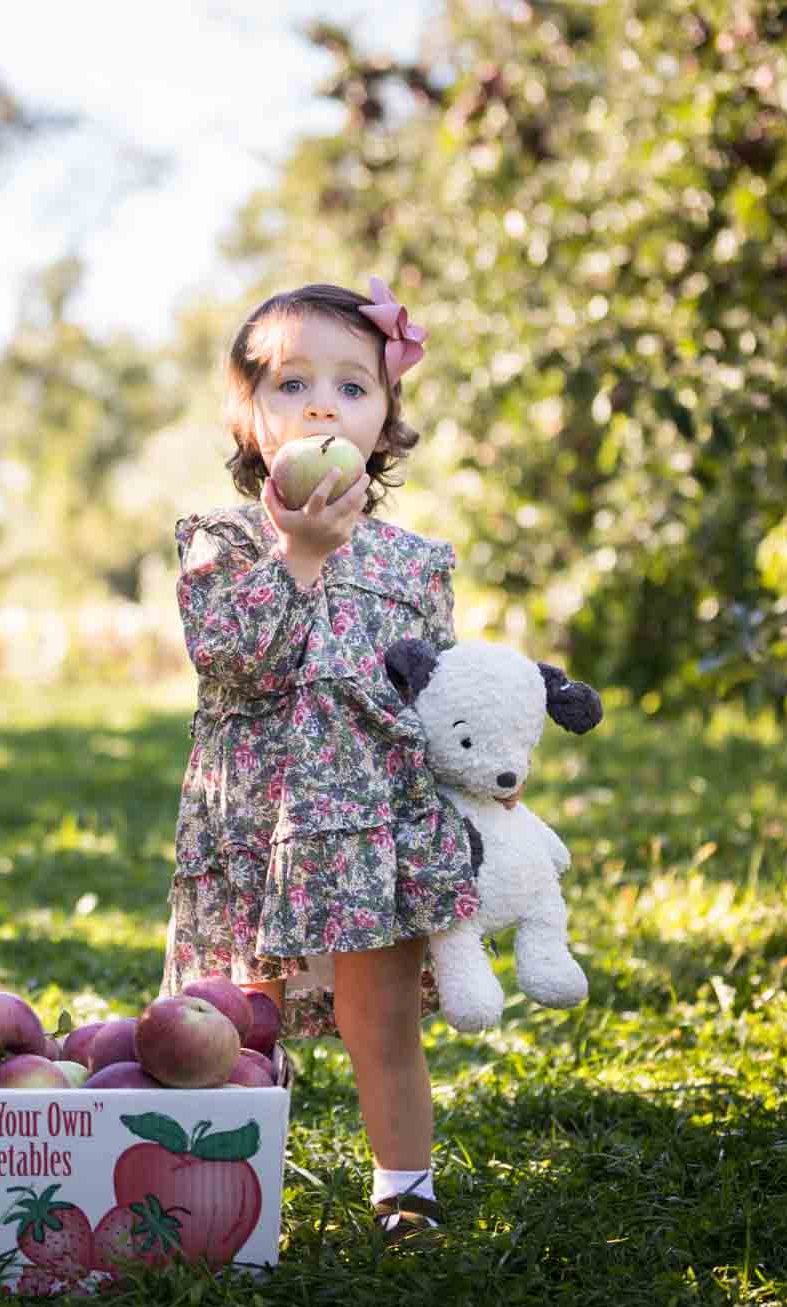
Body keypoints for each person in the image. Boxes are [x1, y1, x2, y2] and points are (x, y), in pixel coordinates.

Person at [161, 278, 478, 1246]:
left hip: (367, 830)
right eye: (291, 381)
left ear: (384, 422)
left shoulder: (412, 562)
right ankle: (207, 1196)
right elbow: (227, 655)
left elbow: (435, 695)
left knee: (380, 1019)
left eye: (350, 386)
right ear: (244, 413)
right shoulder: (219, 540)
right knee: (231, 1023)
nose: (318, 404)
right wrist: (296, 553)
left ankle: (403, 1191)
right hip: (253, 826)